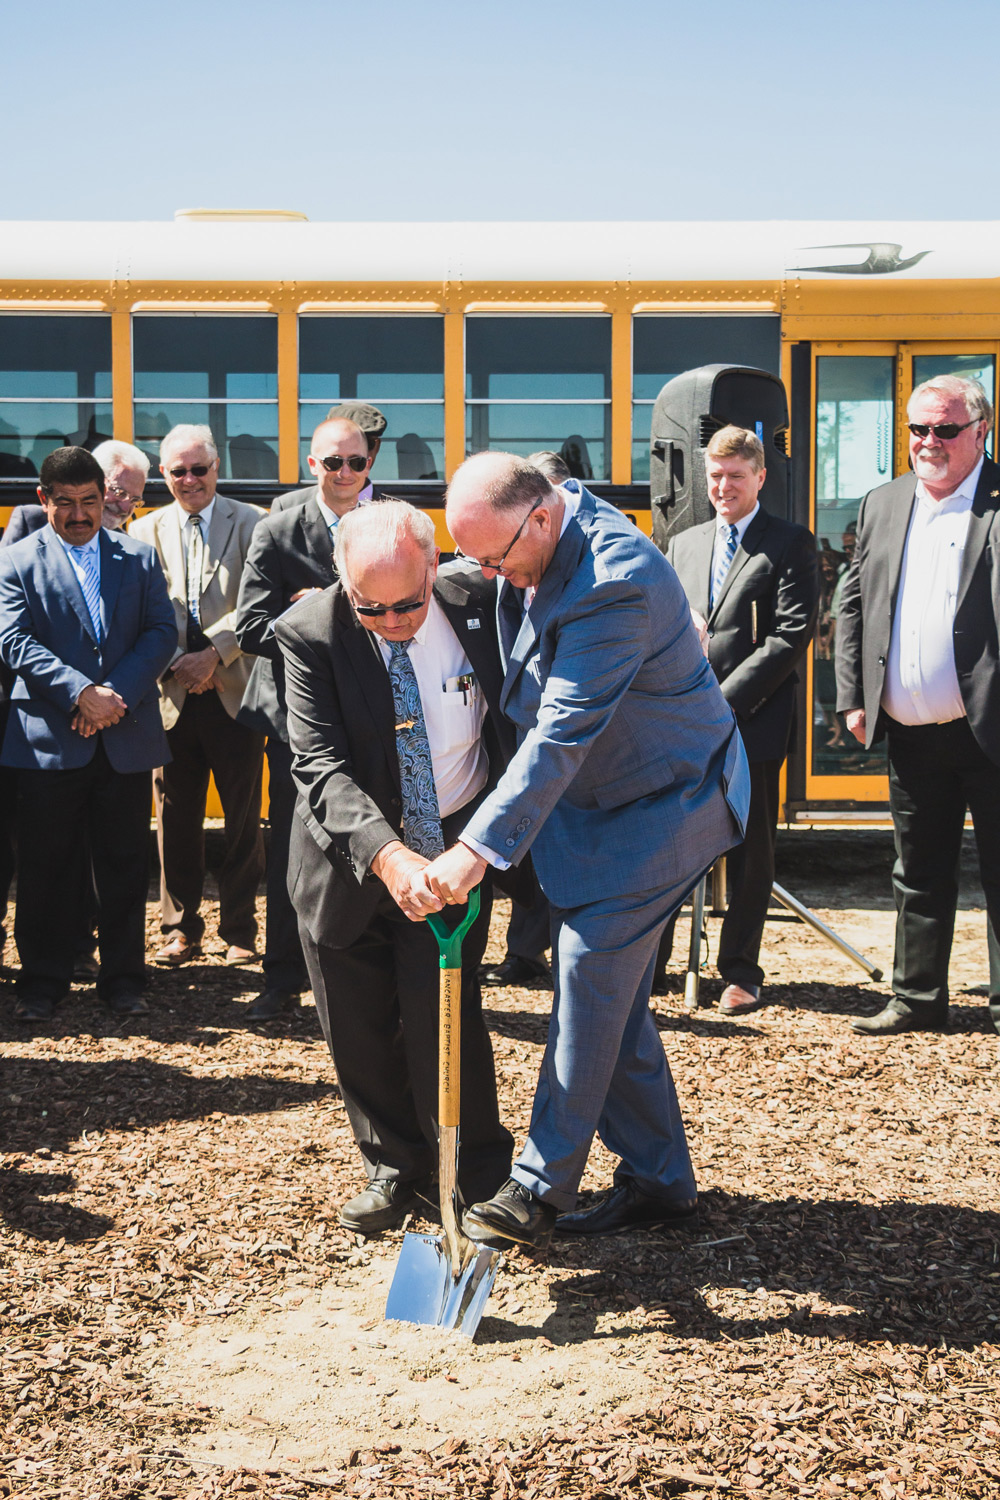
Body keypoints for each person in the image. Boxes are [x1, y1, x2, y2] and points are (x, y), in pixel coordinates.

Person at [417, 453, 749, 1250]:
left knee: (587, 971)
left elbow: (561, 733)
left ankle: (537, 1188)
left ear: (541, 518)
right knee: (615, 1005)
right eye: (472, 558)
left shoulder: (613, 582)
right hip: (600, 805)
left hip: (668, 803)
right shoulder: (531, 529)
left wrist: (476, 849)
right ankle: (660, 1180)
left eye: (495, 559)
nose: (488, 575)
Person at [275, 501, 522, 1233]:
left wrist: (471, 844)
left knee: (446, 1015)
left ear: (434, 564)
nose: (391, 622)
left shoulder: (482, 602)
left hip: (452, 850)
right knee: (357, 1024)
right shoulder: (309, 631)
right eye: (370, 607)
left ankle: (476, 1170)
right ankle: (392, 1165)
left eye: (407, 605)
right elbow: (319, 766)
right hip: (347, 861)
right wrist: (388, 856)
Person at [836, 374, 1000, 1038]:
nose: (929, 441)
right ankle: (916, 998)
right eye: (917, 428)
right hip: (909, 729)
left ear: (982, 431)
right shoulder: (884, 502)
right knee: (917, 871)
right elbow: (853, 604)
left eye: (945, 429)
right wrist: (853, 696)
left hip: (990, 726)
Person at [0, 446, 176, 1022]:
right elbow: (14, 639)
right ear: (43, 499)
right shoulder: (17, 560)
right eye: (66, 503)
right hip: (49, 741)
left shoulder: (139, 557)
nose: (80, 515)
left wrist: (111, 697)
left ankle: (124, 981)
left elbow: (160, 632)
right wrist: (80, 693)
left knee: (124, 865)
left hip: (122, 736)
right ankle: (41, 984)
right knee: (46, 867)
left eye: (90, 502)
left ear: (107, 499)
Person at [666, 426, 818, 1014]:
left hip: (752, 721)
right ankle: (654, 965)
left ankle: (740, 971)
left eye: (735, 476)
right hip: (683, 723)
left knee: (751, 850)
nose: (723, 486)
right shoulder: (683, 543)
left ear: (760, 477)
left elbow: (789, 636)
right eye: (715, 476)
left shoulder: (790, 543)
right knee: (671, 844)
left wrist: (723, 702)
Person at [234, 417, 375, 1020]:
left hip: (375, 710)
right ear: (312, 464)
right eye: (333, 462)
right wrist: (315, 621)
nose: (345, 473)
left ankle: (366, 973)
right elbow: (249, 626)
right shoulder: (278, 529)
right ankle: (283, 977)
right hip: (300, 718)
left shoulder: (391, 523)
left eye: (356, 462)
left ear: (369, 464)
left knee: (373, 838)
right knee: (295, 845)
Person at [130, 425, 266, 967]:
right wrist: (177, 664)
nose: (190, 480)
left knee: (243, 820)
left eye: (199, 469)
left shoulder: (253, 523)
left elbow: (259, 603)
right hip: (170, 694)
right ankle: (179, 929)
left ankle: (240, 930)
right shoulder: (143, 531)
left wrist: (213, 655)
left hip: (235, 691)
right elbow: (138, 613)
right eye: (178, 471)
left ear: (217, 468)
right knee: (175, 820)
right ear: (163, 475)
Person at [479, 451, 566, 990]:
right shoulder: (501, 568)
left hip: (569, 731)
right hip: (519, 725)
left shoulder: (586, 568)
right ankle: (527, 950)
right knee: (528, 845)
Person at [269, 403, 387, 515]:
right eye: (335, 459)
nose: (345, 472)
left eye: (368, 443)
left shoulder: (395, 513)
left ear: (377, 447)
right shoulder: (287, 507)